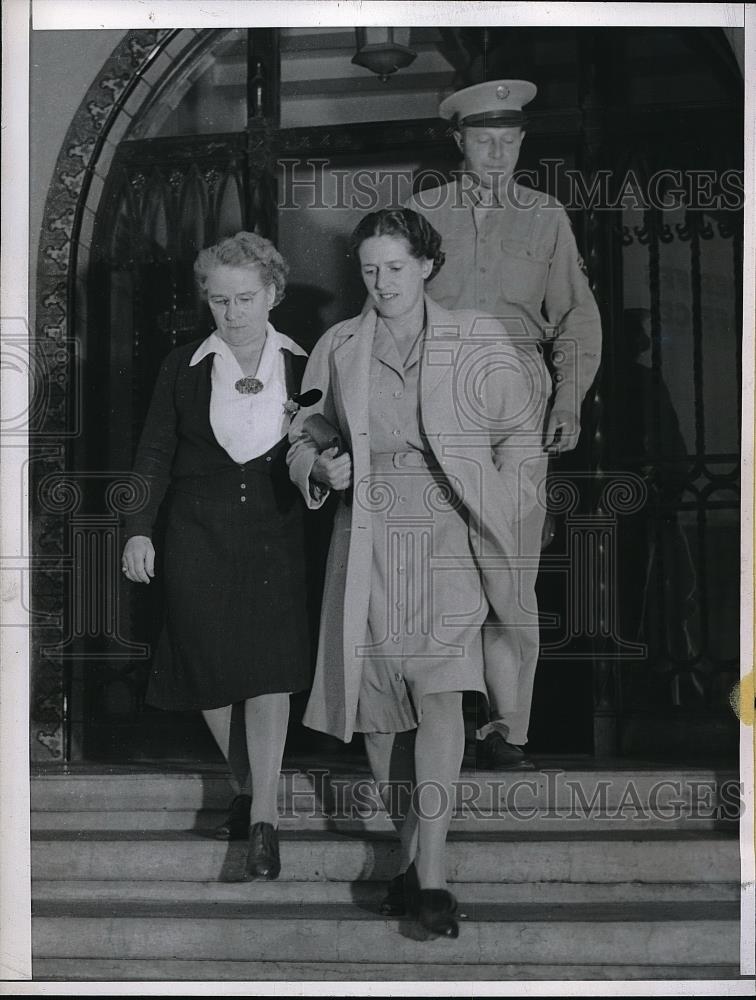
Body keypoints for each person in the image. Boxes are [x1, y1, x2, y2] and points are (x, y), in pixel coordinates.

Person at [288, 208, 547, 938]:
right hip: (367, 533)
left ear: (427, 265)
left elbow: (519, 435)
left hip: (449, 533)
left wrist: (507, 506)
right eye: (369, 269)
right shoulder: (339, 346)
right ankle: (409, 861)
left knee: (440, 696)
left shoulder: (477, 336)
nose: (382, 282)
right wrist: (320, 465)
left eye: (396, 268)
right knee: (381, 714)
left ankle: (431, 875)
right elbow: (301, 432)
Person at [405, 79, 602, 768]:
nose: (497, 152)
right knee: (437, 563)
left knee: (509, 573)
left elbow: (576, 315)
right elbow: (390, 314)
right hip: (437, 394)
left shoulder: (546, 217)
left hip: (517, 396)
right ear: (457, 140)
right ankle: (437, 716)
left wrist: (569, 398)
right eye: (483, 139)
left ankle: (506, 728)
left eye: (510, 140)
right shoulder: (420, 213)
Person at [121, 232, 311, 881]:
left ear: (273, 293)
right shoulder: (182, 364)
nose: (232, 313)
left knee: (266, 672)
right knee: (206, 671)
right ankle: (249, 788)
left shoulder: (306, 363)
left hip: (273, 532)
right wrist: (138, 530)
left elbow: (325, 440)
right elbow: (152, 454)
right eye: (219, 300)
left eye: (245, 298)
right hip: (194, 531)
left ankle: (265, 821)